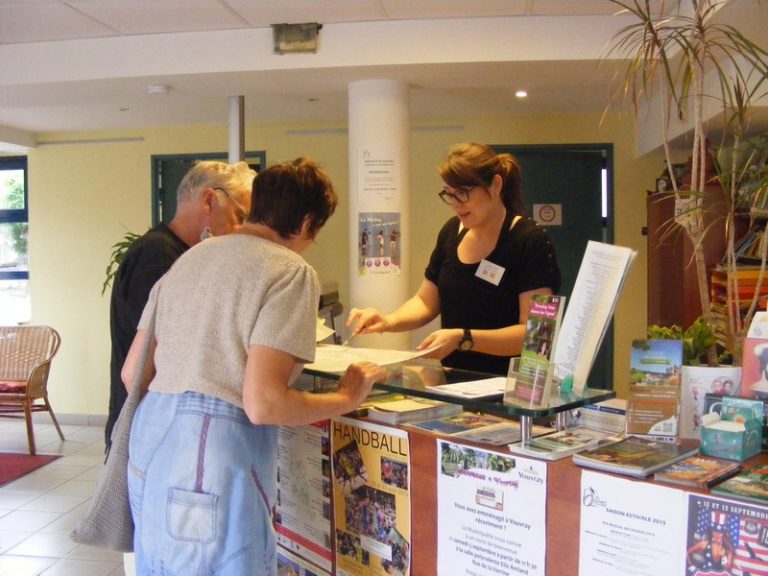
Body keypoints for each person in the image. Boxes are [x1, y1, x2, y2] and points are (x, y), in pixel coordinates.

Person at [123, 157, 388, 575]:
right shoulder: (289, 270)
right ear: (305, 224)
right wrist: (345, 396)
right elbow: (263, 403)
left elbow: (132, 372)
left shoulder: (188, 258)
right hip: (210, 451)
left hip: (152, 437)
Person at [347, 142, 561, 375]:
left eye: (463, 193)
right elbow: (426, 301)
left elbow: (537, 334)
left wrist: (464, 338)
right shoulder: (451, 231)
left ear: (496, 185)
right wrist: (388, 321)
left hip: (510, 390)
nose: (455, 204)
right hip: (455, 385)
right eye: (449, 194)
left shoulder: (530, 240)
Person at [106, 160, 255, 449]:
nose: (240, 229)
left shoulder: (185, 256)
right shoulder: (158, 256)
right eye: (239, 215)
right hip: (147, 430)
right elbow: (151, 362)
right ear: (210, 200)